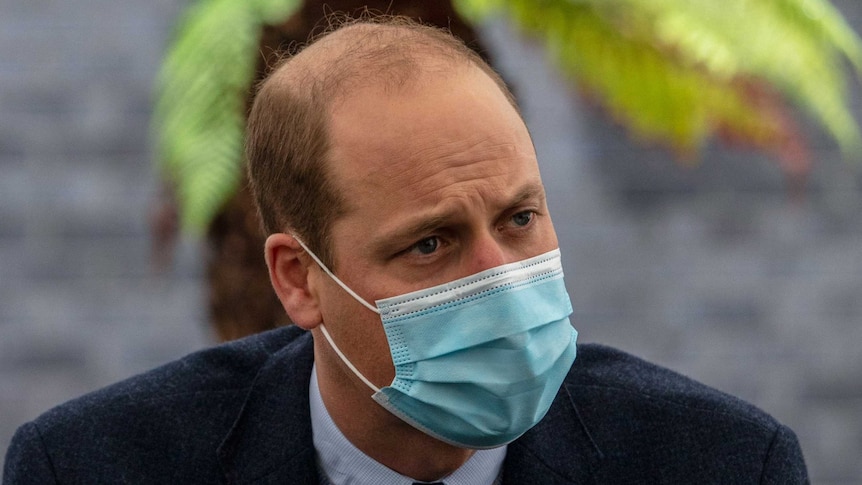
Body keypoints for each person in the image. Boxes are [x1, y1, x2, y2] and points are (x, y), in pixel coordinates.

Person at [3, 16, 808, 485]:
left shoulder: (724, 463)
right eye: (431, 243)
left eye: (520, 218)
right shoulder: (87, 467)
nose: (503, 278)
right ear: (298, 279)